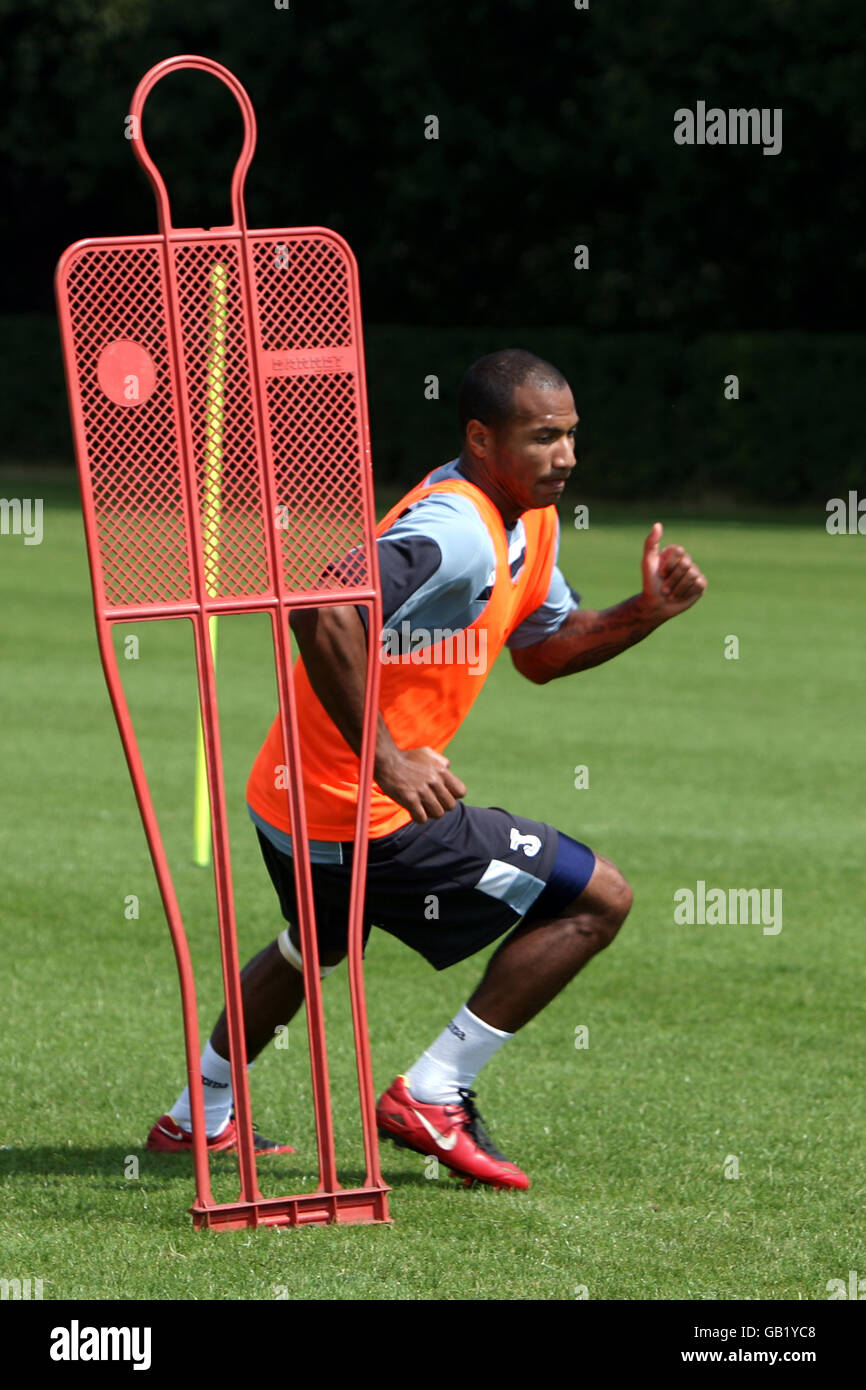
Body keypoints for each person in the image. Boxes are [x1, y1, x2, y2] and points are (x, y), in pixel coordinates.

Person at [147, 348, 707, 1189]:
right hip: (358, 811)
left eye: (571, 436)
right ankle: (434, 1095)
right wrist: (389, 761)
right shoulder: (456, 528)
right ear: (482, 438)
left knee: (313, 948)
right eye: (543, 437)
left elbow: (544, 653)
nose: (565, 457)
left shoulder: (527, 517)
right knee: (599, 898)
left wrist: (643, 613)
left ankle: (198, 1117)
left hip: (290, 793)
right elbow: (321, 608)